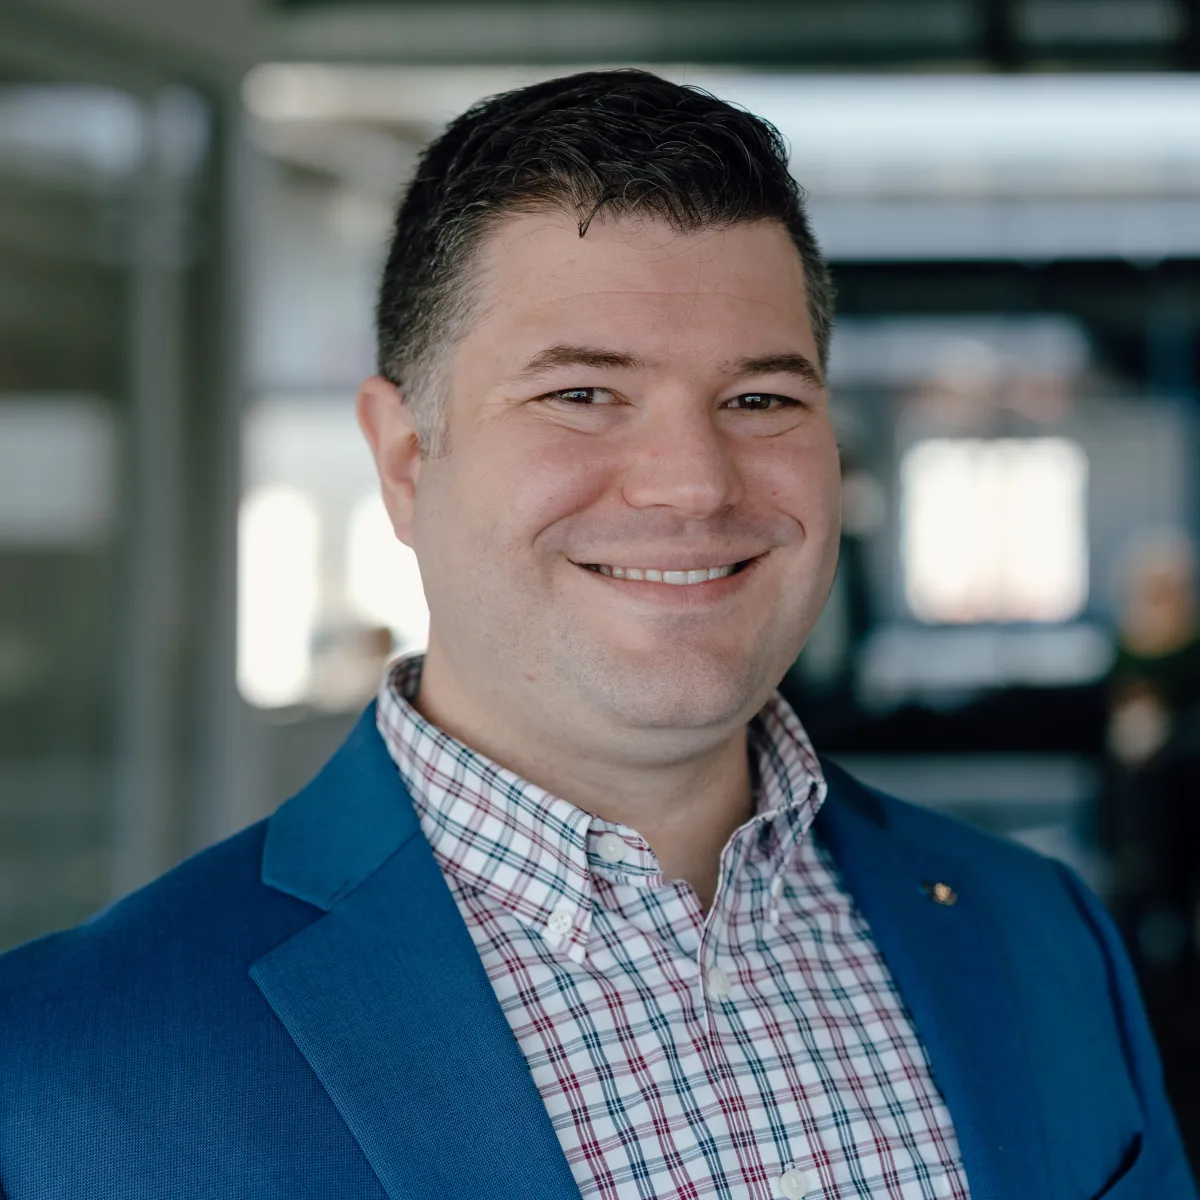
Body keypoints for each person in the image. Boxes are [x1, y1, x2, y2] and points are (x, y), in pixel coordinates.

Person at [0, 70, 1192, 1200]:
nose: (690, 484)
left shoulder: (1039, 932)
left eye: (761, 399)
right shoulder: (67, 1067)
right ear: (409, 459)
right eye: (581, 394)